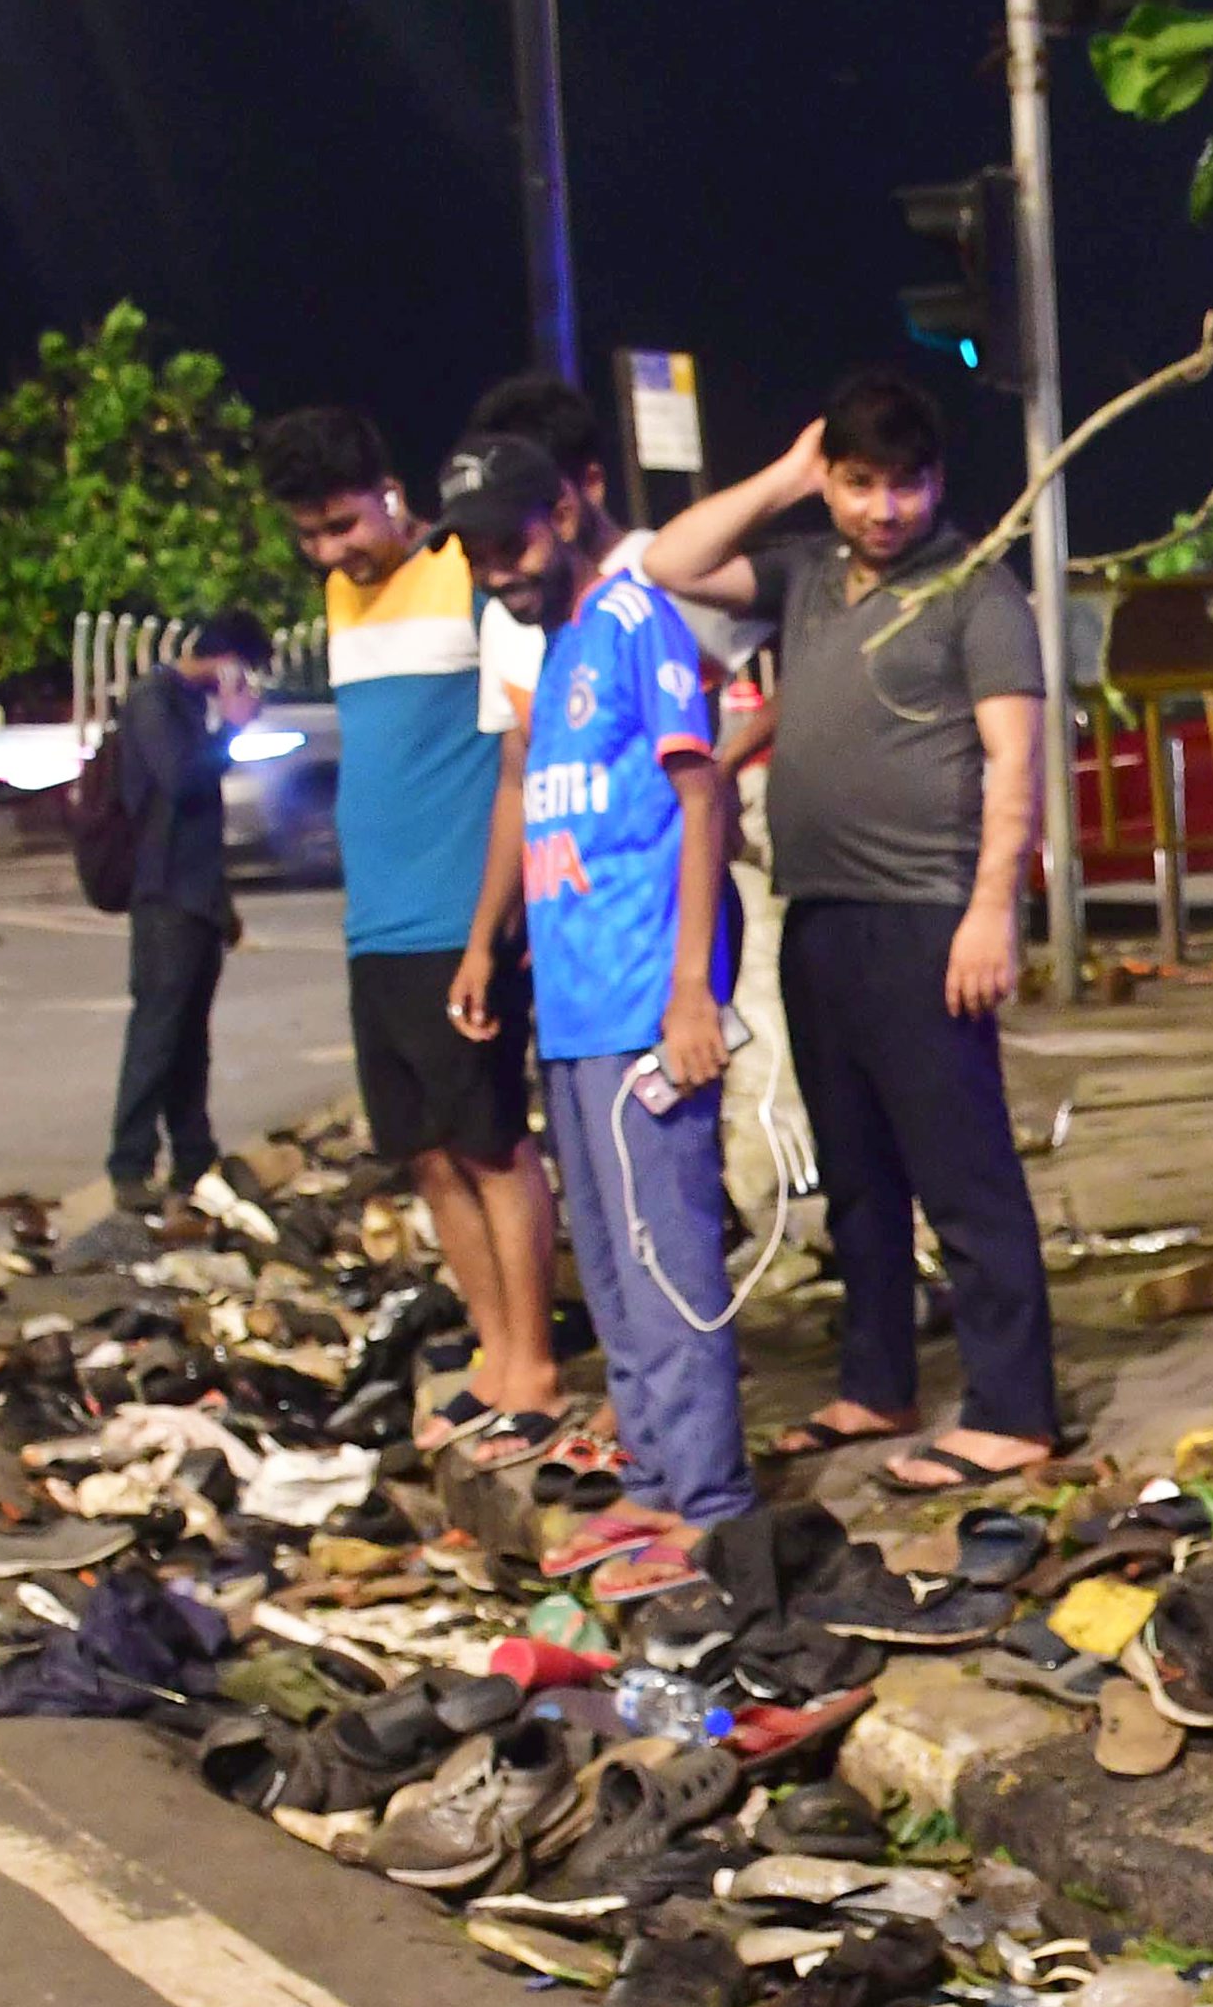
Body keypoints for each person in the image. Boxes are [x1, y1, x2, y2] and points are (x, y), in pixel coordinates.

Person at [639, 372, 1056, 1497]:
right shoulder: (808, 576)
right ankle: (877, 1381)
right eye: (859, 483)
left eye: (905, 484)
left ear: (936, 483)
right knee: (857, 1173)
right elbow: (668, 563)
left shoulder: (975, 591)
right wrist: (783, 475)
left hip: (928, 917)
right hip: (819, 915)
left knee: (960, 1170)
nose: (883, 509)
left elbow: (1016, 761)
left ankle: (1014, 1409)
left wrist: (991, 912)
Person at [440, 432, 752, 1580]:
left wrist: (691, 993)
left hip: (641, 1005)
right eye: (474, 554)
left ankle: (710, 1503)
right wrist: (490, 945)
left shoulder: (635, 623)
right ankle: (654, 1482)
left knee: (669, 1265)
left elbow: (700, 795)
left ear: (568, 513)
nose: (494, 570)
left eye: (507, 542)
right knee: (613, 1277)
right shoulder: (558, 649)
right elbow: (538, 807)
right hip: (571, 1011)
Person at [253, 405, 561, 1452]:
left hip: (458, 921)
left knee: (490, 1147)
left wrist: (490, 931)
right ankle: (491, 1353)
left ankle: (536, 1366)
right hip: (375, 930)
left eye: (342, 524)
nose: (331, 550)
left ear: (390, 492)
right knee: (427, 1159)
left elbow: (517, 755)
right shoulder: (341, 598)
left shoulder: (466, 576)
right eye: (309, 534)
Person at [106, 607, 271, 1205]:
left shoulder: (184, 705)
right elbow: (181, 780)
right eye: (245, 673)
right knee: (156, 1032)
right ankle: (129, 1165)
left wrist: (223, 905)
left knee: (189, 1037)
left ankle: (193, 1155)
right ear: (225, 660)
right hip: (164, 894)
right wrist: (231, 729)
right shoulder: (154, 700)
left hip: (197, 895)